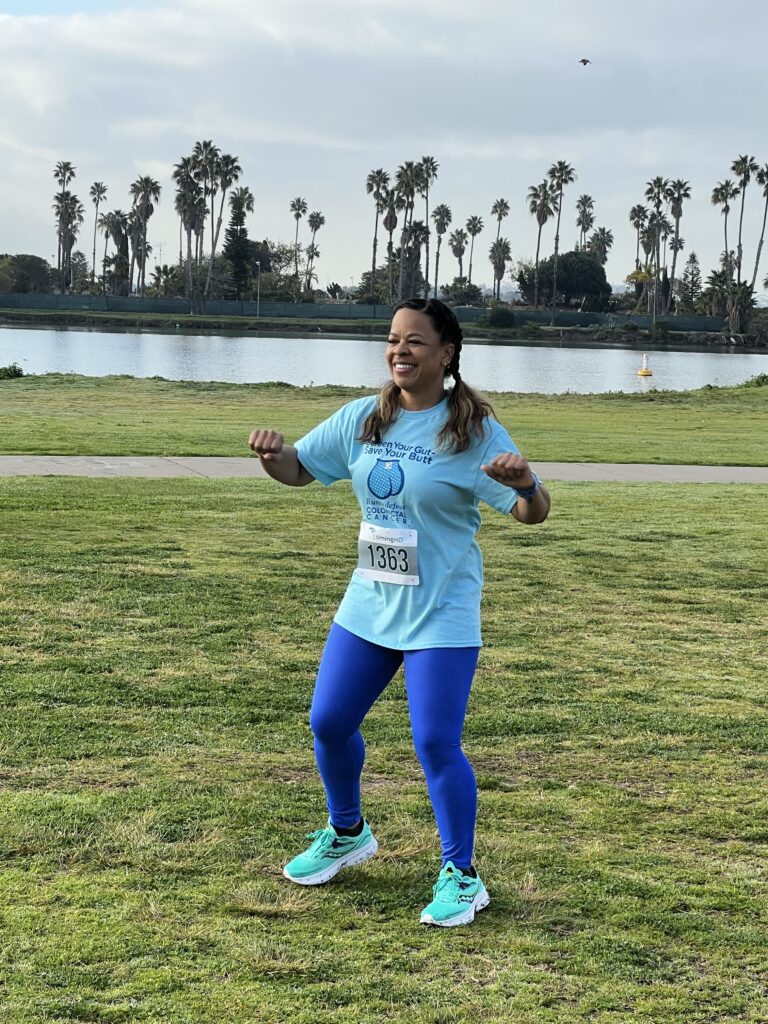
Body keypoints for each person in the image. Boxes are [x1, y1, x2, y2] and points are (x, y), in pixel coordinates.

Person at [248, 298, 550, 927]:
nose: (400, 351)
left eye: (415, 341)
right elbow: (300, 470)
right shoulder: (364, 417)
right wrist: (272, 455)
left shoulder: (473, 432)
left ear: (447, 353)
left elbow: (532, 512)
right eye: (393, 340)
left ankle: (463, 876)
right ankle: (348, 832)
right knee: (328, 722)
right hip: (369, 604)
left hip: (441, 611)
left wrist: (524, 484)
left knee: (436, 742)